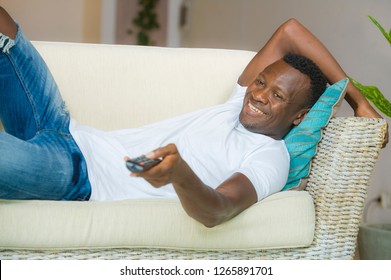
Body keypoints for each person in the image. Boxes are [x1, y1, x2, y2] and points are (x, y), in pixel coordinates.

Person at [0, 7, 388, 227]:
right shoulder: (235, 105)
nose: (257, 96)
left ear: (301, 116)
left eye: (277, 96)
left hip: (76, 174)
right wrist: (357, 100)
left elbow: (219, 209)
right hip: (64, 128)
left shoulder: (269, 158)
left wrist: (178, 173)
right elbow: (290, 30)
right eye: (260, 82)